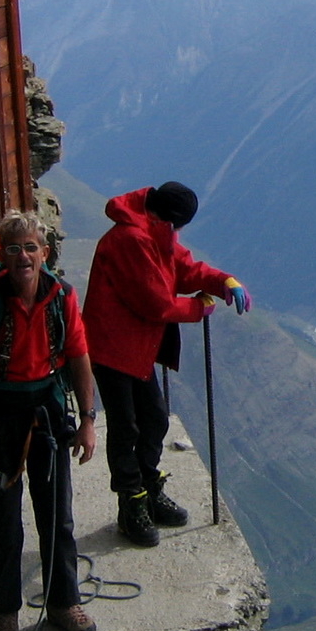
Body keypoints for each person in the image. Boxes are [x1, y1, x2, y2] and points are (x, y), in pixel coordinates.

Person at [0, 210, 101, 631]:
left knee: (58, 514)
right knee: (2, 520)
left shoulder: (62, 297)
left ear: (44, 253)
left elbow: (79, 356)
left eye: (30, 247)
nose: (22, 257)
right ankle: (5, 614)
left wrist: (88, 419)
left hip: (49, 410)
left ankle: (64, 601)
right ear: (1, 255)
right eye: (12, 249)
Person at [83, 182, 250, 547]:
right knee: (127, 428)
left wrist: (223, 281)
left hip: (135, 347)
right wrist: (198, 308)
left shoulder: (153, 232)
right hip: (113, 348)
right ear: (171, 220)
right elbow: (155, 302)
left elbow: (183, 267)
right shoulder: (131, 240)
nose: (179, 233)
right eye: (180, 226)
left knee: (154, 419)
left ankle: (148, 488)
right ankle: (132, 504)